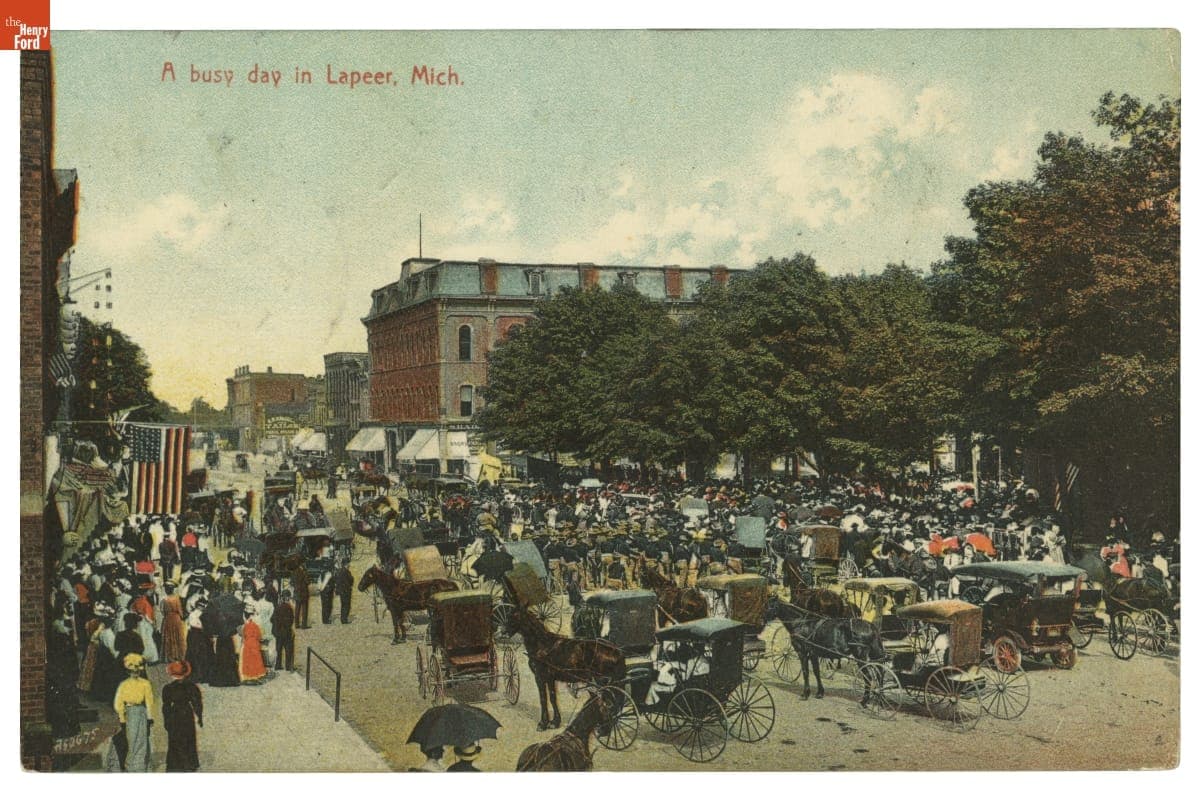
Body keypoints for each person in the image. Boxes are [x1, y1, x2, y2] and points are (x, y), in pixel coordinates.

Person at [112, 653, 154, 772]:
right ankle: (136, 765)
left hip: (136, 713)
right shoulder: (144, 684)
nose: (136, 672)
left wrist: (122, 718)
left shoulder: (124, 685)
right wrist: (149, 717)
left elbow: (149, 702)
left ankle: (134, 765)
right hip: (135, 712)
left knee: (137, 738)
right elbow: (119, 704)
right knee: (136, 739)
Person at [162, 660, 203, 772]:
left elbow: (165, 707)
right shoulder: (192, 687)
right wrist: (199, 717)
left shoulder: (167, 688)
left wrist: (166, 721)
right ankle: (190, 763)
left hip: (174, 713)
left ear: (171, 674)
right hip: (186, 713)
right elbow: (197, 703)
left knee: (174, 738)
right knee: (189, 737)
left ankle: (175, 763)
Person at [239, 606, 268, 683]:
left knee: (247, 660)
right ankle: (255, 676)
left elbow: (243, 635)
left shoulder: (245, 626)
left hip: (247, 643)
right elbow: (259, 636)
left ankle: (247, 676)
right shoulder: (255, 625)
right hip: (254, 643)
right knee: (255, 659)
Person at [273, 590, 297, 671]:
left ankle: (278, 665)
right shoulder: (289, 608)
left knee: (278, 649)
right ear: (287, 597)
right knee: (288, 650)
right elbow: (291, 620)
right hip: (286, 632)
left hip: (278, 632)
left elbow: (272, 619)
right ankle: (288, 666)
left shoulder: (277, 607)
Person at [333, 559, 354, 624]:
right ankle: (344, 619)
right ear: (345, 564)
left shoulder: (340, 571)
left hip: (342, 591)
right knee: (346, 605)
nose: (349, 565)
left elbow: (336, 580)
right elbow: (350, 580)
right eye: (348, 564)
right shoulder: (346, 571)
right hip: (346, 590)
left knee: (343, 605)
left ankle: (343, 619)